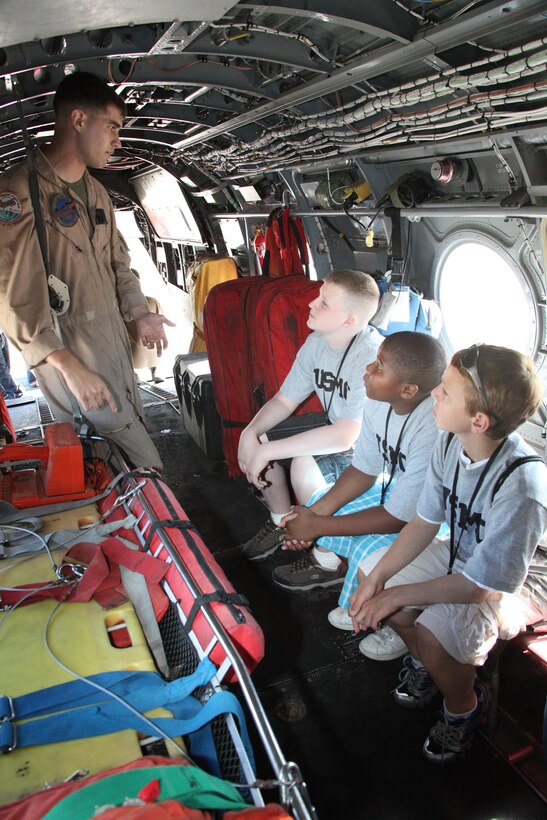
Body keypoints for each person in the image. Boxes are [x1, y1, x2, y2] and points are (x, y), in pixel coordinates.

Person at [349, 344, 547, 763]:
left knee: (431, 627)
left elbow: (481, 587)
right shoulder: (449, 443)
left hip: (517, 582)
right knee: (376, 575)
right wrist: (375, 582)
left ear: (479, 420)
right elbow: (424, 523)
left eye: (446, 391)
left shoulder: (523, 486)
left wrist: (395, 594)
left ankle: (463, 707)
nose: (434, 394)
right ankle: (430, 665)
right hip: (465, 557)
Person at [0, 72, 174, 469]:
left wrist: (139, 312)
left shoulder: (95, 192)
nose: (117, 140)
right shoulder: (18, 191)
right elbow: (13, 299)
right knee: (143, 467)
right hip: (71, 353)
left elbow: (118, 261)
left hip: (112, 347)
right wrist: (70, 367)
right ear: (78, 120)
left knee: (116, 470)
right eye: (111, 127)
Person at [273, 332, 446, 660]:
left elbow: (400, 517)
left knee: (367, 546)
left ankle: (396, 620)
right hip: (400, 494)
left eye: (379, 366)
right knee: (319, 506)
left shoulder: (433, 427)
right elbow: (364, 471)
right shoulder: (380, 403)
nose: (367, 368)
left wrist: (317, 527)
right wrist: (310, 517)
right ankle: (354, 585)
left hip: (435, 518)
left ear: (408, 389)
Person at [237, 269, 382, 560]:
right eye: (318, 297)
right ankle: (281, 521)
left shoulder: (370, 356)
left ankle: (327, 558)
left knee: (302, 462)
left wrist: (268, 451)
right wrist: (249, 433)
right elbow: (284, 400)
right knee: (262, 436)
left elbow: (346, 435)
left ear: (349, 320)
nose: (311, 304)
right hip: (339, 430)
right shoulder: (317, 342)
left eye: (324, 302)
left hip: (370, 450)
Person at [0, 330, 24, 400]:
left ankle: (11, 391)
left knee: (7, 366)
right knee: (2, 368)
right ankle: (12, 392)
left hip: (2, 334)